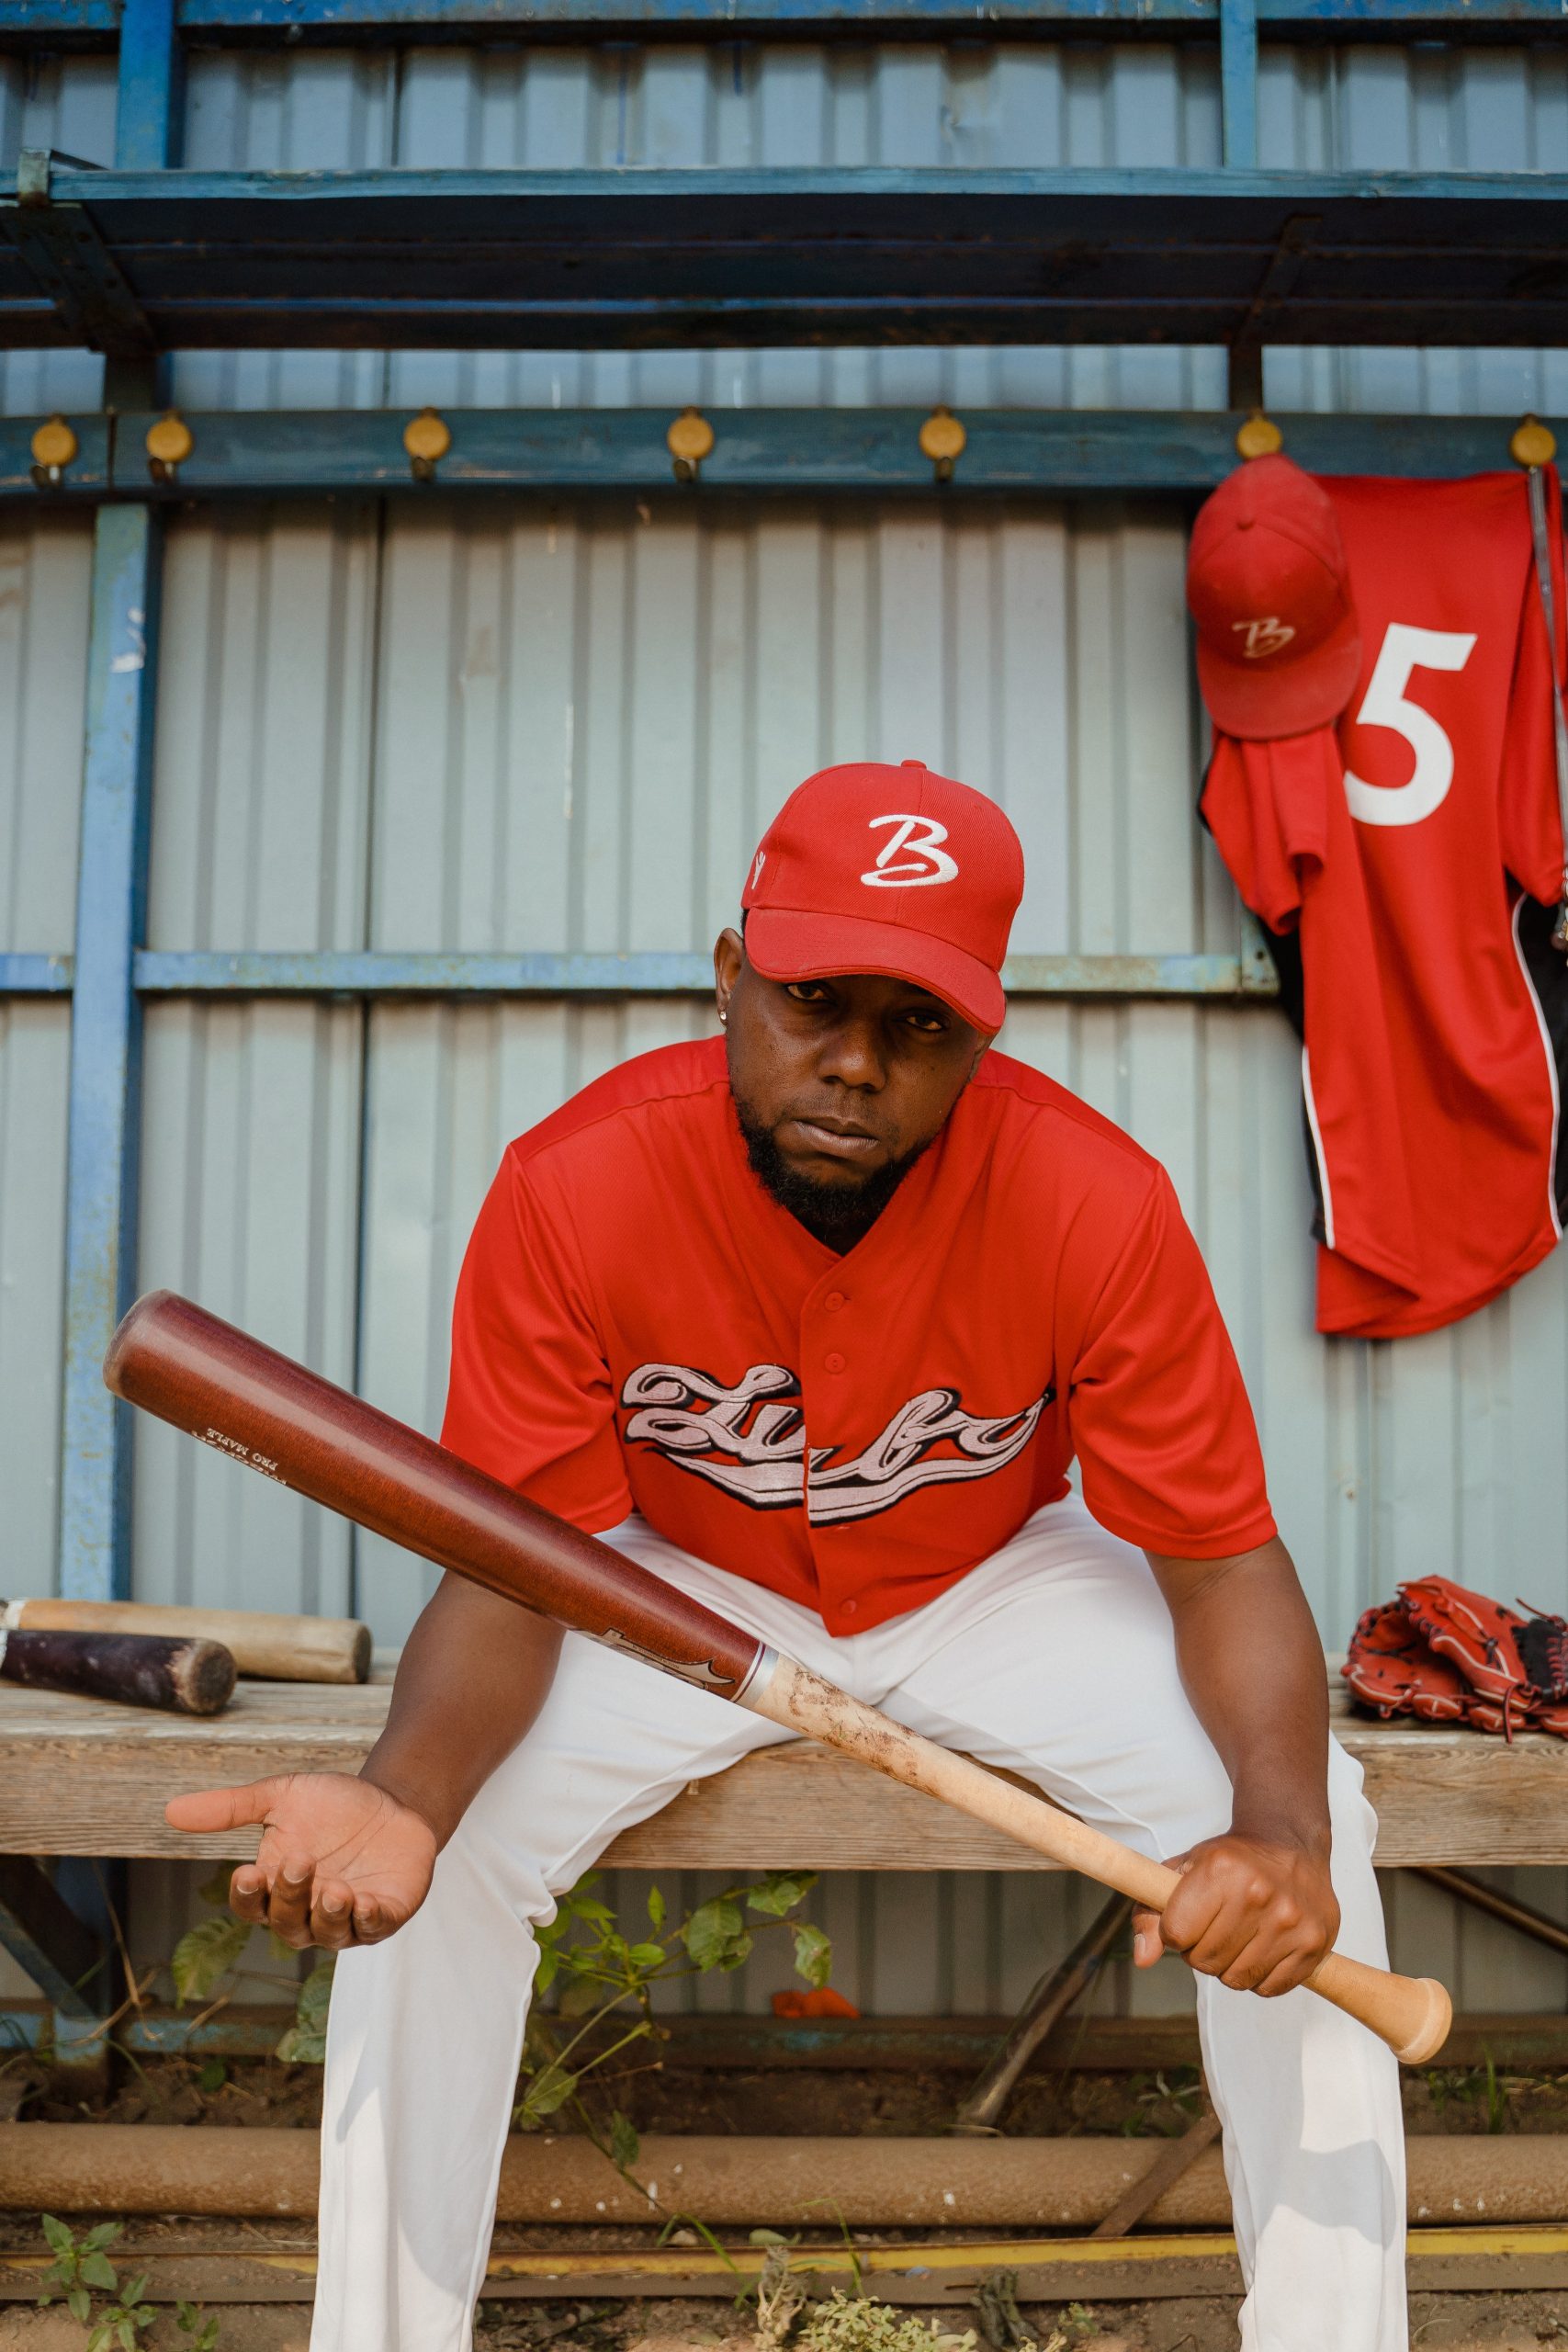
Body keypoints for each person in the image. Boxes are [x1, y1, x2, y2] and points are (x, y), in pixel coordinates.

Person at [168, 761, 1405, 2352]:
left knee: (1314, 1838)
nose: (856, 1064)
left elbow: (1225, 1563)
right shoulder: (579, 1184)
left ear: (980, 1037)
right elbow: (513, 1562)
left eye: (920, 1027)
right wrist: (409, 1796)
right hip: (663, 1588)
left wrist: (1281, 1830)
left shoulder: (1095, 1200)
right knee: (433, 1845)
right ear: (729, 970)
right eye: (816, 999)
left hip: (996, 1581)